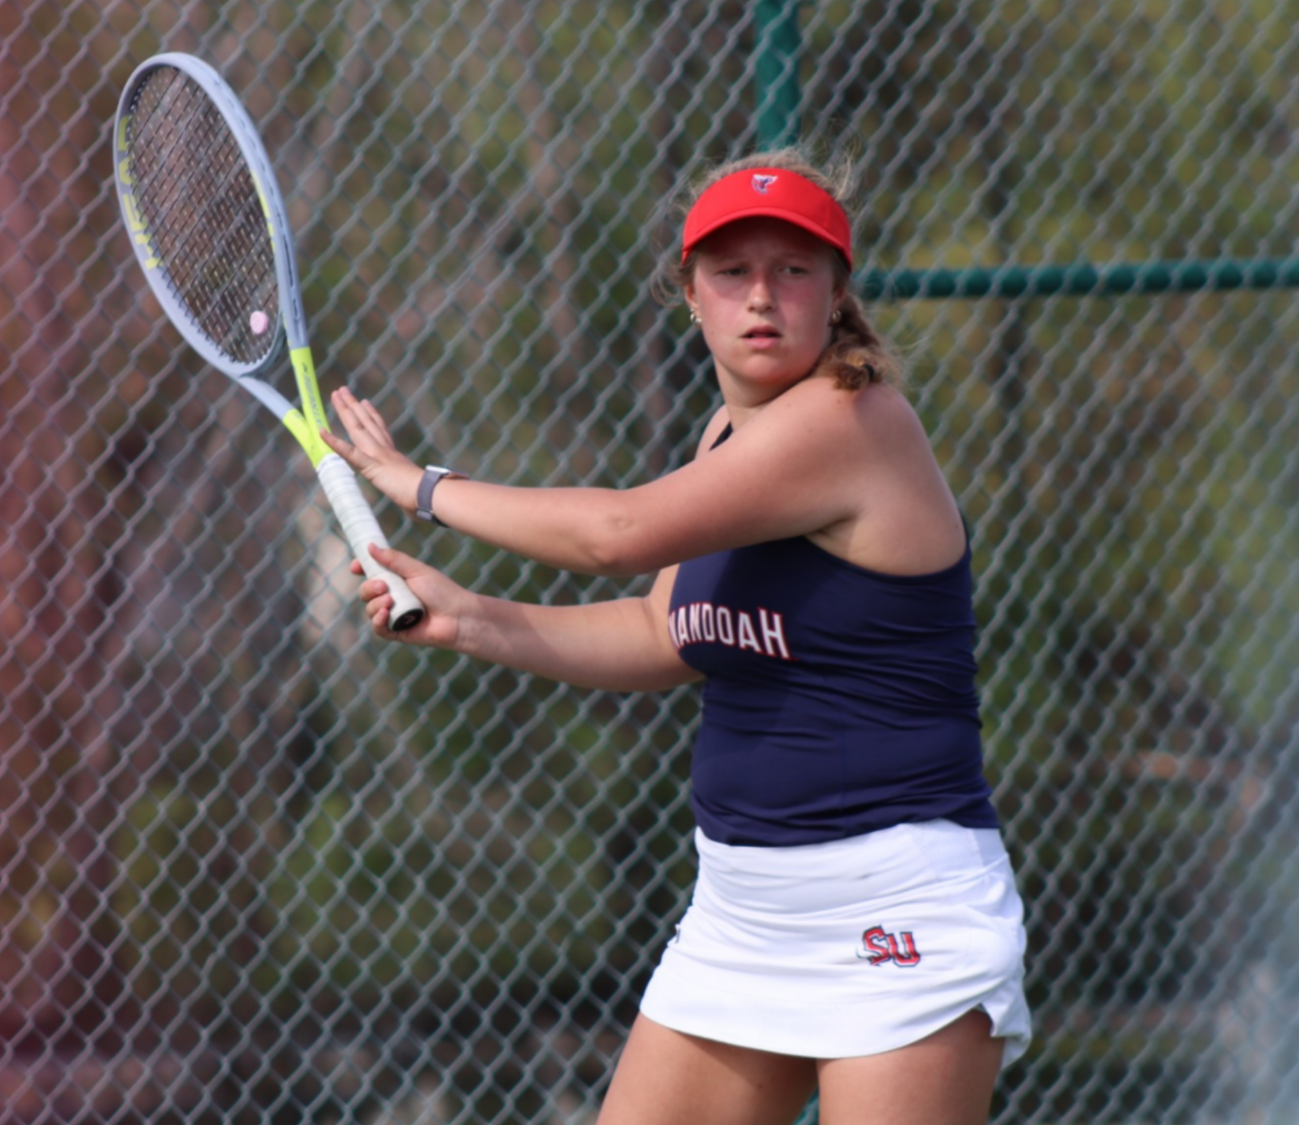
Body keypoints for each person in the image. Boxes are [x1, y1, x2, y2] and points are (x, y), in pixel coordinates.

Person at [323, 149, 1030, 1125]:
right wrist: (471, 619)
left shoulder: (853, 420)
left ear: (836, 294)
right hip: (742, 915)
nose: (761, 297)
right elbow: (661, 630)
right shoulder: (720, 438)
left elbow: (617, 536)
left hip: (893, 911)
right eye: (731, 271)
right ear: (687, 294)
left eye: (793, 268)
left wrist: (419, 487)